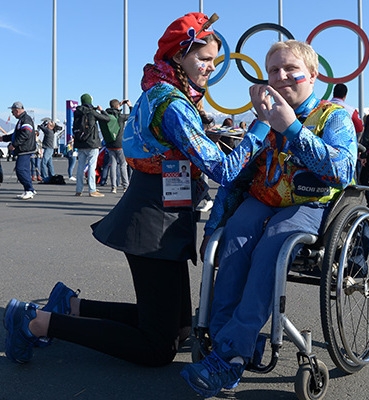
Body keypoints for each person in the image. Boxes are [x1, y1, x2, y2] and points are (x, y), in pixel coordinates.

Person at [2, 12, 271, 367]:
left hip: (165, 213)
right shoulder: (172, 103)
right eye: (204, 59)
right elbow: (222, 170)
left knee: (179, 327)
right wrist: (262, 126)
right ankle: (36, 322)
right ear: (179, 56)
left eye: (214, 61)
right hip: (152, 221)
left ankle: (71, 306)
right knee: (157, 349)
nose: (210, 68)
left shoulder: (162, 91)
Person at [180, 39, 357, 397]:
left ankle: (230, 353)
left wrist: (292, 128)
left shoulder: (333, 116)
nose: (281, 76)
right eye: (274, 70)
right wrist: (214, 226)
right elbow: (237, 177)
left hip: (310, 203)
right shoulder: (262, 119)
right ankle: (224, 340)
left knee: (272, 246)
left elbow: (341, 170)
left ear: (312, 74)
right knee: (234, 240)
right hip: (262, 197)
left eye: (290, 69)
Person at [74, 93, 110, 198]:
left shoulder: (77, 112)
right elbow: (106, 119)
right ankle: (92, 189)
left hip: (80, 142)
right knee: (91, 166)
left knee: (80, 166)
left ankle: (79, 190)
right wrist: (101, 110)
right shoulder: (92, 112)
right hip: (92, 143)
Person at [0, 101, 37, 199]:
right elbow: (16, 135)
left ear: (17, 110)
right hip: (24, 149)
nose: (12, 114)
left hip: (25, 149)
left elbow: (25, 134)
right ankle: (29, 190)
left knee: (20, 170)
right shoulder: (22, 120)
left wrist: (14, 144)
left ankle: (29, 189)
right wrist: (4, 138)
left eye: (13, 112)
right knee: (25, 170)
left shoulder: (26, 119)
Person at [101, 99, 132, 193]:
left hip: (110, 144)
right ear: (118, 106)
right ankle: (125, 186)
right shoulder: (120, 117)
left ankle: (113, 187)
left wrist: (119, 105)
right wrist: (129, 106)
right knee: (123, 165)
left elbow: (108, 112)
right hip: (120, 144)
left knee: (113, 165)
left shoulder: (108, 115)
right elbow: (132, 115)